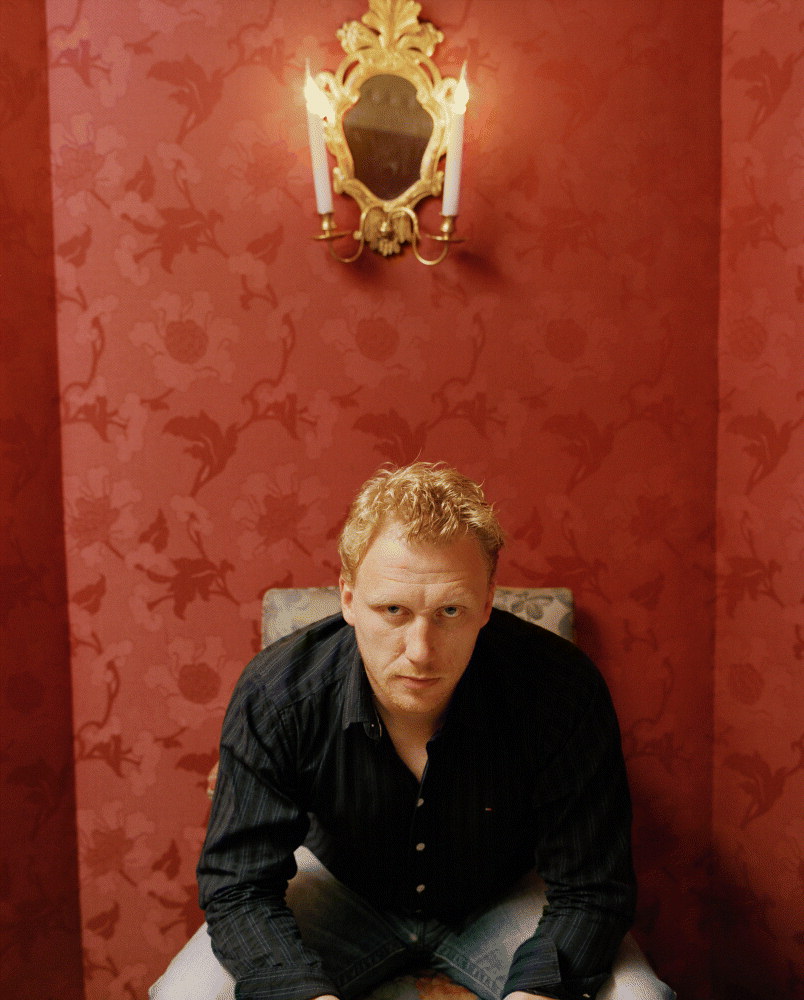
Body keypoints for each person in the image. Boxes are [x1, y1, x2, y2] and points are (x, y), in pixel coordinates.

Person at [150, 463, 675, 1000]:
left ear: (487, 602)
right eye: (393, 609)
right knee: (185, 994)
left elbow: (593, 889)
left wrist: (536, 994)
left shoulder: (562, 689)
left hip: (502, 899)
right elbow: (239, 885)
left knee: (639, 997)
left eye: (450, 610)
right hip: (338, 891)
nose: (421, 652)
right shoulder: (277, 693)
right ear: (348, 598)